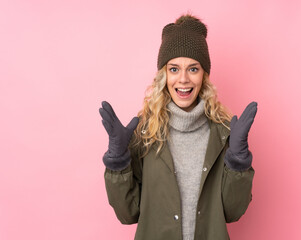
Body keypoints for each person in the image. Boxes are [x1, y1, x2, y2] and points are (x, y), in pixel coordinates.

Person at [99, 14, 258, 240]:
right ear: (164, 75)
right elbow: (127, 213)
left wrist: (239, 162)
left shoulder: (224, 134)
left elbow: (232, 212)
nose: (183, 79)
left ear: (204, 75)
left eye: (193, 69)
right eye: (174, 69)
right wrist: (117, 162)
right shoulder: (145, 133)